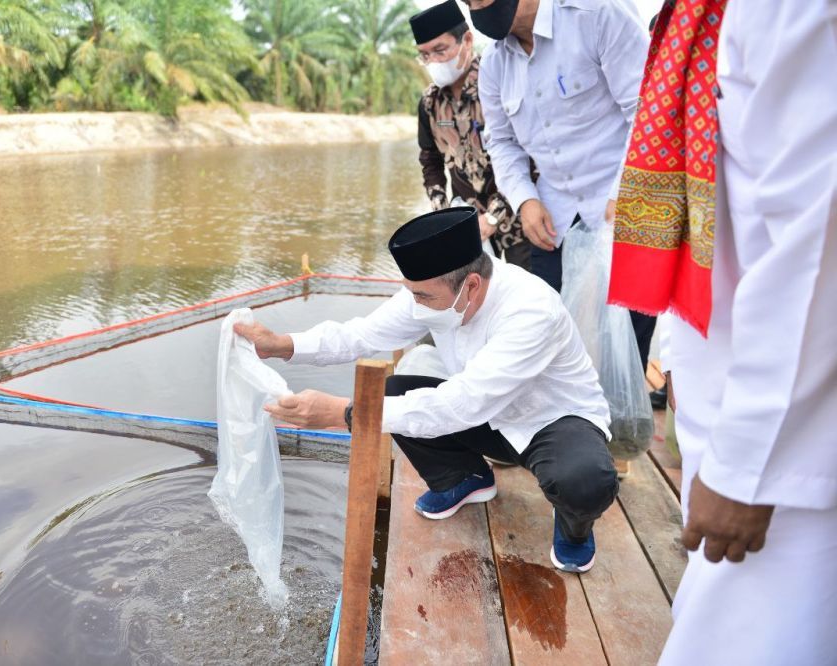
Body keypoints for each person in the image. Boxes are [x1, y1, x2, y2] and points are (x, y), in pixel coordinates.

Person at [607, 0, 837, 663]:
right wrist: (681, 352)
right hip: (731, 402)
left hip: (789, 451)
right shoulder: (696, 13)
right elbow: (711, 193)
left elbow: (815, 248)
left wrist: (747, 469)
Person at [234, 207, 618, 573]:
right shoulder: (437, 289)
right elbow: (362, 334)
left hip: (550, 422)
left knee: (584, 481)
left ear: (471, 284)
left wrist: (344, 414)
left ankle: (573, 525)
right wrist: (283, 344)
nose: (415, 305)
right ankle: (464, 477)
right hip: (486, 417)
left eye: (422, 297)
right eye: (412, 294)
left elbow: (461, 403)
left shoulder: (530, 310)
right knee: (395, 391)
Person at [465, 0, 656, 369]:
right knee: (551, 341)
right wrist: (525, 201)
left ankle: (621, 425)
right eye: (469, 2)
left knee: (627, 348)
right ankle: (569, 425)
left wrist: (625, 191)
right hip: (554, 222)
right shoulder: (494, 64)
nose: (479, 7)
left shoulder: (597, 14)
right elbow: (501, 142)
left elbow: (646, 110)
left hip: (629, 212)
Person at [410, 0, 530, 268]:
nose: (433, 62)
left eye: (440, 50)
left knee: (525, 299)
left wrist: (493, 218)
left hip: (521, 222)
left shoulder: (499, 81)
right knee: (475, 299)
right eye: (425, 55)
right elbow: (430, 159)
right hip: (467, 226)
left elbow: (529, 154)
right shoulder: (430, 103)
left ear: (466, 40)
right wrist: (442, 216)